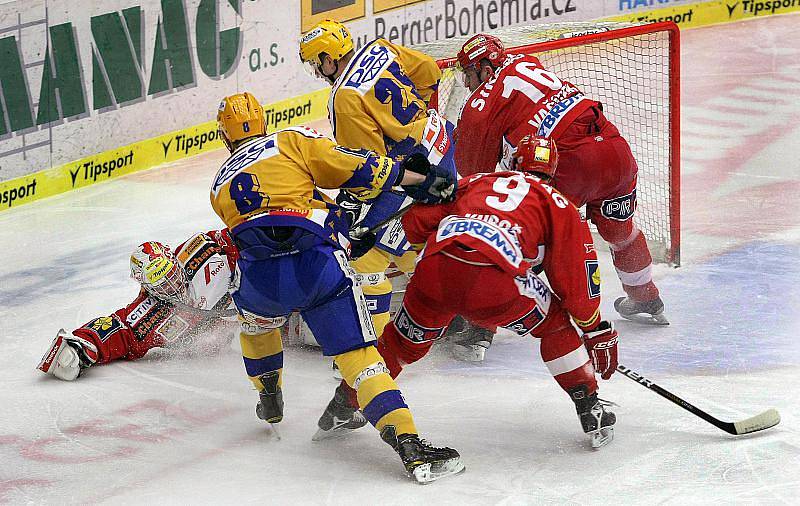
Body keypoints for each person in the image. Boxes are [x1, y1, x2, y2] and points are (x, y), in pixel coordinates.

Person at [210, 91, 462, 483]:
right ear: (263, 121)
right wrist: (417, 177)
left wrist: (340, 227)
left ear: (225, 137)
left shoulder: (218, 185)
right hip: (315, 266)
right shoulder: (289, 140)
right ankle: (409, 445)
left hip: (259, 279)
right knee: (360, 360)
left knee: (257, 326)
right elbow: (355, 168)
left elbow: (267, 222)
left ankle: (269, 396)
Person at [316, 136, 618, 449]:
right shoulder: (558, 203)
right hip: (496, 285)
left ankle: (341, 406)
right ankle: (590, 408)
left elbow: (414, 224)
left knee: (398, 344)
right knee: (555, 324)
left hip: (434, 272)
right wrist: (592, 325)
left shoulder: (474, 182)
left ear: (511, 161)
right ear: (553, 171)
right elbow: (576, 276)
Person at [299, 18, 494, 360]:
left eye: (318, 63)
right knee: (418, 239)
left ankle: (370, 351)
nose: (318, 72)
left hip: (415, 172)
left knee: (363, 254)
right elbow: (430, 73)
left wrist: (352, 206)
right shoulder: (379, 48)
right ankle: (470, 316)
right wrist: (412, 126)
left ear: (329, 59)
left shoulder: (343, 97)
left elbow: (368, 165)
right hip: (443, 145)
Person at [453, 33, 667, 325]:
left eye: (468, 73)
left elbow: (472, 169)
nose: (466, 83)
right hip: (614, 150)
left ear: (485, 69)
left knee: (522, 237)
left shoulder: (480, 103)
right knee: (621, 233)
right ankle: (645, 296)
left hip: (569, 166)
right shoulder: (527, 62)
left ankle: (478, 328)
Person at [38, 231, 239, 381]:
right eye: (159, 281)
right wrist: (79, 348)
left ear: (174, 260)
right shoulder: (151, 312)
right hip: (230, 342)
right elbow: (120, 330)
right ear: (147, 286)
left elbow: (243, 238)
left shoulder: (203, 251)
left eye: (169, 273)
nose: (170, 284)